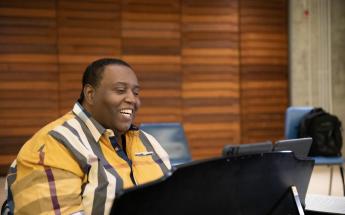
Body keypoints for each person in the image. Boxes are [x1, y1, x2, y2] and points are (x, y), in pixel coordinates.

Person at [5, 58, 172, 214]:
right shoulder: (52, 145)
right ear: (91, 94)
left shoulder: (147, 141)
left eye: (135, 93)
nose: (132, 99)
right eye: (120, 90)